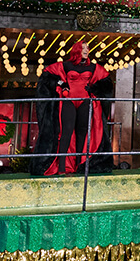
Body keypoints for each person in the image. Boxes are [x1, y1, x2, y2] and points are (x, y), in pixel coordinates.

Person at [32, 42, 114, 176]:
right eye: (83, 48)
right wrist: (61, 83)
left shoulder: (93, 67)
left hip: (86, 101)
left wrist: (94, 88)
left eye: (87, 48)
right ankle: (62, 167)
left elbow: (106, 82)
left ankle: (79, 165)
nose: (86, 50)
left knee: (82, 133)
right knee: (66, 132)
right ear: (76, 50)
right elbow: (47, 76)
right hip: (68, 100)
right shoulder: (65, 65)